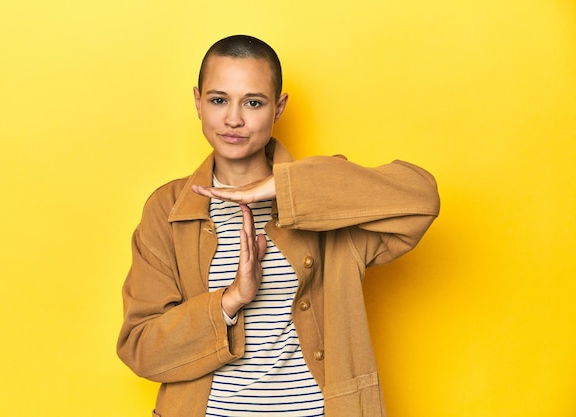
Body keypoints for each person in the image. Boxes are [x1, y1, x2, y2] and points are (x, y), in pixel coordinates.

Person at [117, 34, 440, 417]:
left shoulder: (327, 197)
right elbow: (141, 348)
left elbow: (421, 200)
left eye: (253, 102)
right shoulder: (168, 210)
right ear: (198, 103)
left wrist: (282, 187)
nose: (233, 119)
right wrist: (230, 300)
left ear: (279, 107)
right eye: (219, 100)